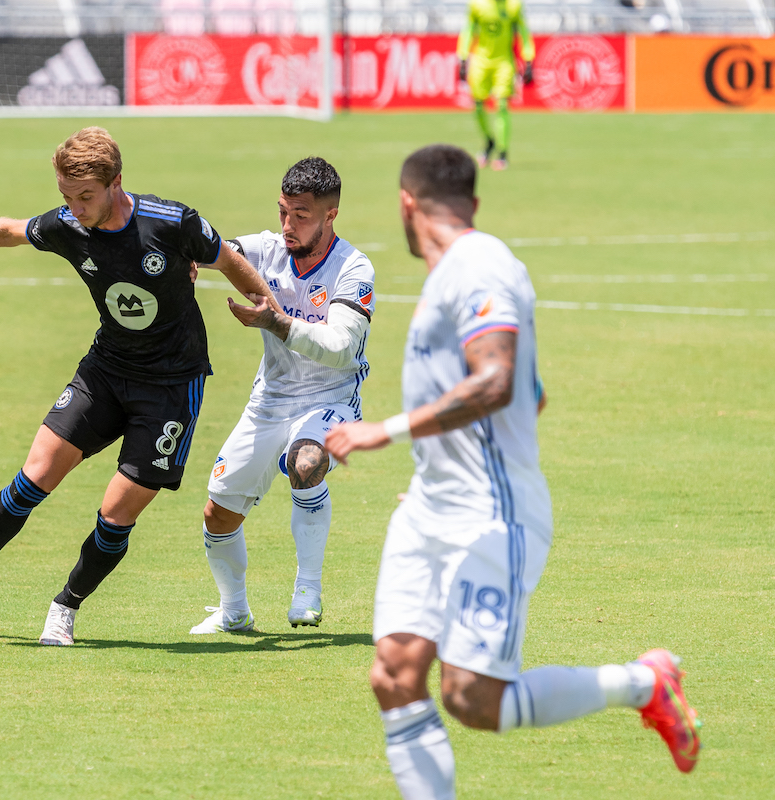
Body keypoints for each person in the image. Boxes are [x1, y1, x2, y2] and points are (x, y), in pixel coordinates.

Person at [324, 145, 700, 799]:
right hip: (428, 506)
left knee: (474, 699)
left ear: (407, 204)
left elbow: (496, 380)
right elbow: (527, 388)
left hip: (490, 513)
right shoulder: (450, 276)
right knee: (394, 675)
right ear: (472, 199)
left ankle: (646, 684)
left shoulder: (481, 265)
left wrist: (384, 429)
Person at [0, 126, 277, 646]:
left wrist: (268, 312)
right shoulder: (70, 225)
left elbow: (226, 258)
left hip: (169, 389)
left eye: (85, 197)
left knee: (115, 515)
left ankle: (64, 607)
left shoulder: (171, 221)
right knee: (34, 475)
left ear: (117, 182)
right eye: (66, 197)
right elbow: (8, 229)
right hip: (106, 371)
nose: (75, 208)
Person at [189, 157, 375, 634]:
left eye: (302, 216)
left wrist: (277, 322)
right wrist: (188, 259)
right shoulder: (266, 249)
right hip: (270, 399)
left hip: (330, 398)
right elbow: (218, 249)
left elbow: (339, 347)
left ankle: (307, 589)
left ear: (330, 215)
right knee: (217, 513)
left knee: (307, 462)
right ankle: (234, 613)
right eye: (283, 212)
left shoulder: (354, 268)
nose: (288, 226)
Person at [457, 0, 534, 171]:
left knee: (502, 105)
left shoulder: (514, 6)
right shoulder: (477, 5)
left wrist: (528, 59)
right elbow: (468, 30)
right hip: (480, 62)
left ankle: (502, 153)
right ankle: (489, 140)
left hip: (504, 62)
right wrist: (463, 57)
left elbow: (523, 33)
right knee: (478, 105)